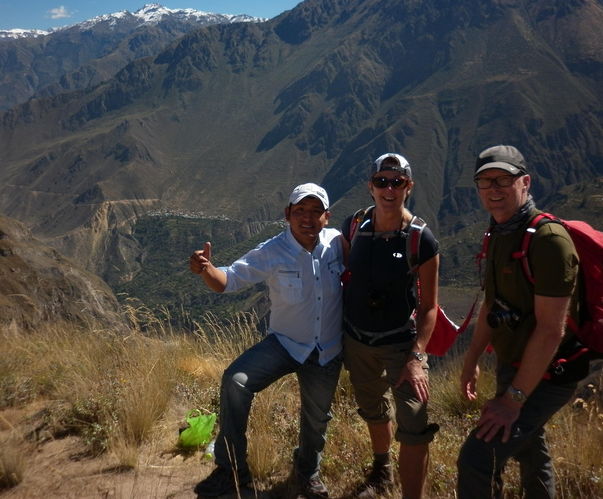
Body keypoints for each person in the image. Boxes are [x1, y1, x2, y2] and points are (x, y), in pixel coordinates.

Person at [189, 183, 347, 499]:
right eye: (300, 210)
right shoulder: (272, 251)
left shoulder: (338, 245)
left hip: (326, 351)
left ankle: (307, 474)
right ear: (287, 214)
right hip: (285, 344)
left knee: (316, 422)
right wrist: (206, 269)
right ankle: (231, 470)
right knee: (236, 381)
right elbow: (229, 280)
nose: (308, 218)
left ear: (326, 218)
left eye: (316, 212)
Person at [457, 145, 581, 498]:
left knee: (477, 459)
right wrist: (472, 360)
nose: (493, 189)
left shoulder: (549, 241)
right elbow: (491, 305)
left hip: (548, 371)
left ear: (525, 182)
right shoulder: (499, 231)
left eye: (503, 179)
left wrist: (511, 402)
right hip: (515, 365)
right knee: (530, 449)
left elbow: (550, 329)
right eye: (485, 181)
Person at [341, 153, 440, 499]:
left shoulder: (421, 239)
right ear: (370, 187)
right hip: (356, 340)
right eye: (381, 181)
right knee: (372, 409)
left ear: (408, 187)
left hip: (401, 344)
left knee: (414, 422)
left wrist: (416, 358)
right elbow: (338, 273)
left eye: (396, 182)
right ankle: (382, 472)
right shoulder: (354, 225)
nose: (388, 188)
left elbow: (430, 307)